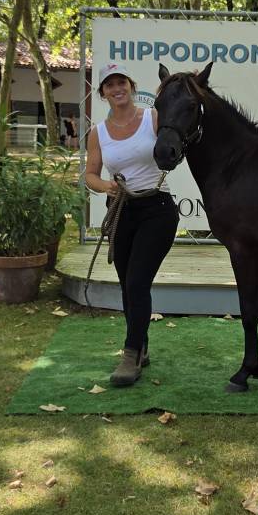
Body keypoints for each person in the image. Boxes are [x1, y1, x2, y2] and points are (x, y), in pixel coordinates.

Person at [84, 62, 178, 386]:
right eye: (110, 85)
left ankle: (130, 353)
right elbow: (90, 174)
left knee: (137, 281)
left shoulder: (152, 117)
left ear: (131, 85)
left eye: (121, 82)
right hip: (122, 210)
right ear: (103, 93)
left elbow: (174, 144)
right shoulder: (97, 132)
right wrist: (104, 186)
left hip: (157, 209)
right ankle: (142, 344)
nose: (117, 88)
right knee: (128, 285)